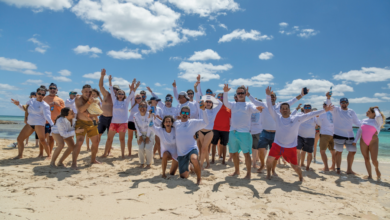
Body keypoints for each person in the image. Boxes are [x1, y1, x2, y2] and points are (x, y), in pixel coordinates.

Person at [265, 86, 333, 181]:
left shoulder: (296, 118)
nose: (284, 109)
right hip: (277, 144)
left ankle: (301, 177)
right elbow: (269, 107)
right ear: (280, 110)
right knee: (269, 160)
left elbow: (310, 114)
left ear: (289, 110)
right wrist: (268, 96)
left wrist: (324, 110)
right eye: (283, 108)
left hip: (290, 147)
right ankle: (268, 174)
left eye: (286, 108)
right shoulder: (277, 117)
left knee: (295, 167)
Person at [247, 86, 304, 174]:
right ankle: (262, 164)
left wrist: (301, 95)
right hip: (265, 132)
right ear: (269, 97)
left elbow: (293, 100)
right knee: (260, 150)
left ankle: (273, 169)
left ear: (276, 98)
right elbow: (254, 101)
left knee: (275, 155)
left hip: (276, 134)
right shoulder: (264, 105)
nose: (272, 97)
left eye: (273, 96)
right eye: (271, 96)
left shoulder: (280, 106)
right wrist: (248, 94)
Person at [222, 84, 263, 179]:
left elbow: (255, 109)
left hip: (244, 133)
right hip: (233, 132)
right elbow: (225, 102)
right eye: (238, 93)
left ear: (245, 94)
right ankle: (237, 171)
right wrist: (225, 92)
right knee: (234, 153)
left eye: (242, 93)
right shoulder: (233, 104)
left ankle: (248, 174)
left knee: (246, 154)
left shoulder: (249, 105)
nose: (240, 94)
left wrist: (258, 109)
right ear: (236, 94)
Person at [11, 87, 54, 159]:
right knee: (19, 139)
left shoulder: (45, 105)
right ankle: (20, 155)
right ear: (36, 94)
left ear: (44, 96)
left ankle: (49, 155)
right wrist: (18, 104)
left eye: (43, 94)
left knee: (42, 140)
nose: (41, 95)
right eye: (39, 93)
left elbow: (47, 116)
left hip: (39, 124)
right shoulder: (31, 100)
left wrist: (53, 125)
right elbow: (24, 109)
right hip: (30, 123)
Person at [326, 92, 361, 174]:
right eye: (342, 102)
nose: (344, 104)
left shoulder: (351, 111)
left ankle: (349, 169)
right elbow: (329, 105)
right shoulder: (336, 110)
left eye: (345, 102)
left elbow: (357, 122)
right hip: (338, 135)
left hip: (350, 136)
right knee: (339, 152)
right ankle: (338, 169)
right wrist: (328, 98)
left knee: (352, 152)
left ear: (348, 103)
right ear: (340, 103)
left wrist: (366, 126)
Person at [175, 103, 209, 185]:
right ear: (180, 114)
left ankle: (199, 179)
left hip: (191, 149)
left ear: (189, 115)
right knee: (184, 176)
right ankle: (190, 166)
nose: (185, 115)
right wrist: (152, 117)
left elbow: (205, 122)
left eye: (187, 113)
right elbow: (165, 125)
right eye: (183, 113)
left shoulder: (193, 122)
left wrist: (203, 110)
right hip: (181, 153)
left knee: (194, 159)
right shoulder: (176, 123)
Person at [102, 75, 134, 158]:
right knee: (109, 139)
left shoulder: (126, 102)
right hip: (114, 123)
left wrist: (133, 86)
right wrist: (109, 81)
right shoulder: (114, 100)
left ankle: (123, 155)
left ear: (124, 95)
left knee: (122, 140)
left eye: (122, 94)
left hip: (123, 123)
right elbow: (112, 90)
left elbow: (131, 94)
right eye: (119, 93)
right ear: (117, 95)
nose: (120, 95)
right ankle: (105, 153)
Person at [195, 81, 222, 170]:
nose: (208, 103)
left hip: (209, 132)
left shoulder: (214, 110)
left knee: (203, 148)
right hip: (201, 131)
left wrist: (213, 98)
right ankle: (208, 164)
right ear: (205, 102)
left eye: (210, 102)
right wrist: (197, 85)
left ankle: (201, 165)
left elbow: (221, 103)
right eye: (207, 101)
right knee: (204, 149)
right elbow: (198, 95)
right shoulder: (201, 108)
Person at [73, 84, 101, 169]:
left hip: (91, 123)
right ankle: (73, 163)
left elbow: (99, 112)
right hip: (81, 123)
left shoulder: (95, 100)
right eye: (86, 91)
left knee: (96, 142)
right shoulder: (78, 98)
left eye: (89, 92)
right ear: (82, 92)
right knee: (80, 142)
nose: (88, 93)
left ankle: (93, 159)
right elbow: (81, 109)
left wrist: (89, 115)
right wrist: (89, 103)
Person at [353, 106, 385, 179]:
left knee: (374, 160)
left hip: (373, 142)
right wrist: (355, 141)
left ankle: (376, 169)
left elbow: (379, 116)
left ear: (374, 113)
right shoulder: (364, 120)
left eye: (368, 111)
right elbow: (359, 131)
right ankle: (370, 175)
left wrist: (376, 109)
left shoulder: (377, 121)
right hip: (363, 141)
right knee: (366, 159)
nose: (366, 112)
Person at [292, 104, 319, 171]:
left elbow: (319, 124)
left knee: (309, 153)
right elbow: (291, 116)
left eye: (309, 107)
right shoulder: (300, 114)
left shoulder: (314, 116)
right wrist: (296, 109)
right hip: (300, 135)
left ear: (311, 108)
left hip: (310, 137)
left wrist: (318, 118)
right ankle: (298, 166)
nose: (307, 108)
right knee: (298, 150)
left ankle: (307, 166)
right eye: (306, 107)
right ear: (303, 108)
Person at [43, 83, 65, 153]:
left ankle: (49, 153)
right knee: (42, 139)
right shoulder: (44, 98)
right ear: (48, 89)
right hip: (44, 121)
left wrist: (57, 105)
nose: (52, 90)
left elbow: (64, 111)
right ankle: (41, 153)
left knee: (51, 138)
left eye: (54, 88)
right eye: (51, 88)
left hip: (55, 122)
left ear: (57, 90)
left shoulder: (60, 100)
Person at [211, 92, 231, 165]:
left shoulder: (229, 107)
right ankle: (212, 159)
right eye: (219, 97)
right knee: (213, 144)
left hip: (226, 129)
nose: (220, 98)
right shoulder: (215, 106)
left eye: (222, 97)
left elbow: (232, 119)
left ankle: (223, 160)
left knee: (224, 145)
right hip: (215, 128)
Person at [134, 101, 155, 168]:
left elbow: (150, 126)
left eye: (144, 106)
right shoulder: (135, 115)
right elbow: (136, 126)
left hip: (150, 133)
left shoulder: (150, 115)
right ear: (138, 108)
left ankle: (149, 163)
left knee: (148, 148)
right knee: (141, 148)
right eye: (141, 106)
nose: (142, 108)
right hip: (140, 134)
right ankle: (142, 163)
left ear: (146, 108)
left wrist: (148, 136)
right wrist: (139, 136)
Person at [316, 101, 336, 172]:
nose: (324, 106)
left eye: (325, 105)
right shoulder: (333, 113)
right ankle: (333, 167)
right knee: (333, 152)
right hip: (333, 134)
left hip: (325, 134)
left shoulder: (322, 114)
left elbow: (319, 123)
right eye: (324, 104)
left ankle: (326, 167)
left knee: (322, 151)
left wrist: (317, 117)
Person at [127, 80, 142, 157]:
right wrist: (135, 87)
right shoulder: (133, 103)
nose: (138, 99)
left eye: (139, 97)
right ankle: (129, 153)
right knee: (130, 138)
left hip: (139, 123)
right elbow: (132, 94)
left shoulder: (143, 105)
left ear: (141, 98)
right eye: (137, 98)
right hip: (131, 122)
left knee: (139, 138)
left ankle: (139, 152)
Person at [250, 98, 264, 169]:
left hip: (254, 131)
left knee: (255, 148)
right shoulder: (261, 111)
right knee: (259, 148)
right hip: (257, 131)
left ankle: (255, 163)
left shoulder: (252, 110)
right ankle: (258, 163)